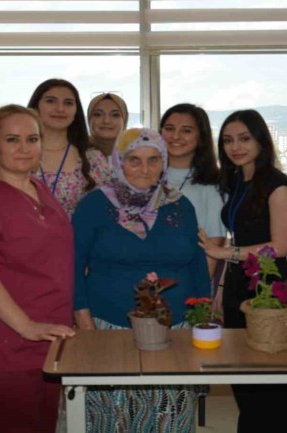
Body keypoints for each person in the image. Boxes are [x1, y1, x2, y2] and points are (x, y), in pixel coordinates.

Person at [73, 127, 210, 433]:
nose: (144, 169)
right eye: (134, 159)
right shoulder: (94, 205)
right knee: (114, 415)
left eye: (153, 160)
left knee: (169, 413)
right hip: (109, 327)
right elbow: (73, 264)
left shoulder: (180, 205)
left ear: (164, 162)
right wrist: (83, 321)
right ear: (119, 161)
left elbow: (197, 265)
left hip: (175, 329)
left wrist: (203, 317)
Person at [0, 105, 75, 433]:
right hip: (10, 339)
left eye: (32, 139)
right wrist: (26, 326)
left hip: (51, 334)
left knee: (44, 423)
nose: (24, 148)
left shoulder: (39, 188)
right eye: (12, 139)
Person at [198, 109, 287, 433]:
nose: (235, 147)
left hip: (270, 288)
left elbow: (279, 247)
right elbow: (239, 236)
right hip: (238, 284)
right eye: (228, 140)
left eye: (244, 138)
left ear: (260, 140)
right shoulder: (238, 181)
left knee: (273, 385)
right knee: (243, 379)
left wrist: (223, 253)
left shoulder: (278, 185)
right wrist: (222, 285)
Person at [27, 79, 110, 216]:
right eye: (51, 101)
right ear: (36, 107)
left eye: (68, 103)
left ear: (76, 111)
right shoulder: (19, 154)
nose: (60, 109)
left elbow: (106, 211)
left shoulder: (93, 159)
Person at [160, 103, 226, 277]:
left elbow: (212, 246)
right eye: (169, 128)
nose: (176, 136)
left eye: (186, 130)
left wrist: (199, 290)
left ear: (201, 137)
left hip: (186, 280)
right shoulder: (144, 177)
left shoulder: (213, 185)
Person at [87, 92, 128, 158]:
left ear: (124, 120)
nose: (106, 121)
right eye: (98, 114)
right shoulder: (74, 152)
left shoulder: (137, 152)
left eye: (115, 115)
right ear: (89, 119)